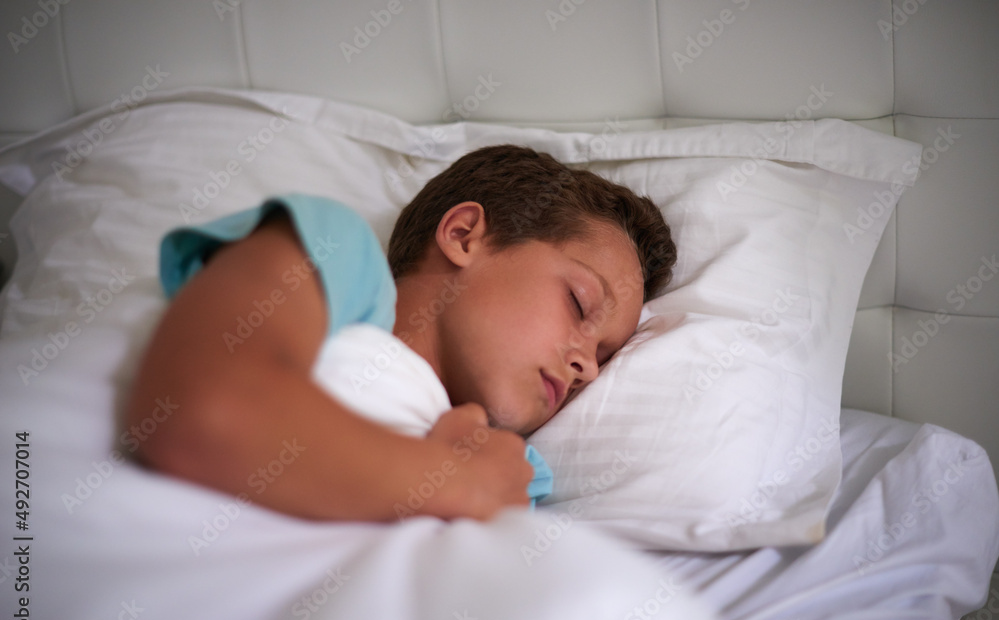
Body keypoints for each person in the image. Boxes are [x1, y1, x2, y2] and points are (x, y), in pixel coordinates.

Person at [126, 144, 676, 523]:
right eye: (579, 302)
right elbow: (203, 412)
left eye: (605, 354)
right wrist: (459, 483)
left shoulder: (514, 470)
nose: (588, 368)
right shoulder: (338, 254)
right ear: (464, 235)